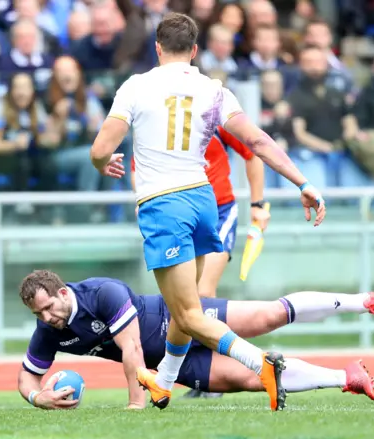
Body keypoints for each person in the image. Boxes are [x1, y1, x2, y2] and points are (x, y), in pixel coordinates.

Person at [89, 12, 325, 412]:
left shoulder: (136, 86)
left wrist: (101, 163)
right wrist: (303, 183)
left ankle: (260, 363)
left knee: (188, 312)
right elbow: (258, 141)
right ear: (195, 50)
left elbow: (99, 149)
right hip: (204, 201)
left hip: (164, 205)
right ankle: (163, 382)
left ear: (158, 47)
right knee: (186, 309)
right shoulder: (215, 90)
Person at [17, 270, 374, 410]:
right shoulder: (49, 331)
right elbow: (26, 376)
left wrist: (137, 407)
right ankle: (346, 378)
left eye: (49, 307)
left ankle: (364, 302)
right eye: (39, 314)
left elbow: (131, 348)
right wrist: (39, 397)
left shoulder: (101, 292)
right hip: (177, 364)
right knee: (255, 378)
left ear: (63, 292)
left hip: (183, 318)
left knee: (268, 316)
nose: (46, 317)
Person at [131, 124, 270, 400]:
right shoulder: (156, 122)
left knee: (202, 294)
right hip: (177, 215)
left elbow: (252, 152)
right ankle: (200, 377)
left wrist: (258, 204)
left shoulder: (214, 117)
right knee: (186, 304)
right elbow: (139, 168)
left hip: (218, 212)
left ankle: (226, 371)